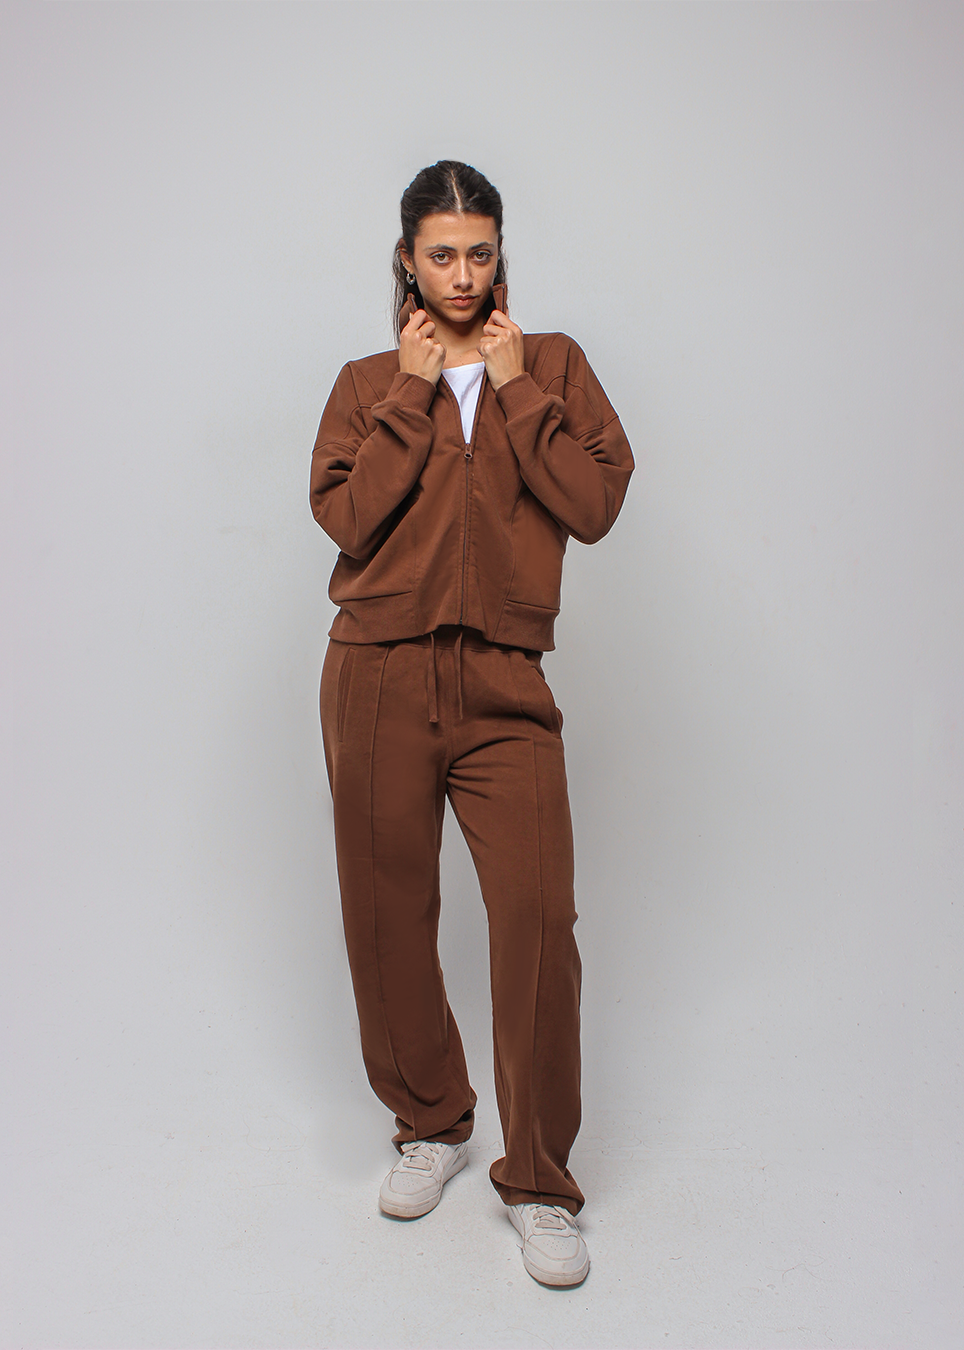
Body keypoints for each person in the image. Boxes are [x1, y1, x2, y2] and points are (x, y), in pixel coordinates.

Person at [309, 160, 634, 1287]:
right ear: (408, 260)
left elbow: (594, 504)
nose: (461, 274)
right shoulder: (365, 383)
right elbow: (348, 518)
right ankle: (431, 1121)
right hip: (378, 674)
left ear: (501, 256)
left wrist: (518, 391)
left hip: (505, 683)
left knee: (538, 920)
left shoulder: (553, 367)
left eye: (479, 252)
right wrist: (411, 398)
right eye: (441, 254)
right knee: (386, 912)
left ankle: (539, 1181)